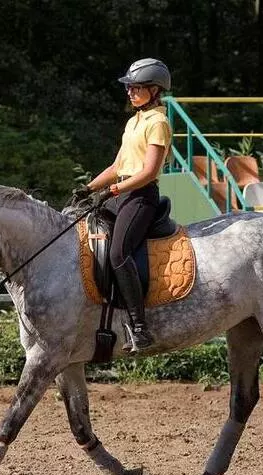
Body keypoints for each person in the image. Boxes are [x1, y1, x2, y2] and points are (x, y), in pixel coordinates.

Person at [82, 58, 172, 352]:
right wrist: (88, 188)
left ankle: (139, 326)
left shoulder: (158, 122)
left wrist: (114, 189)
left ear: (155, 90)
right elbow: (118, 164)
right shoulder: (134, 120)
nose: (130, 92)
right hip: (121, 194)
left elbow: (148, 172)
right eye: (129, 87)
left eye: (137, 88)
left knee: (119, 252)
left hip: (141, 196)